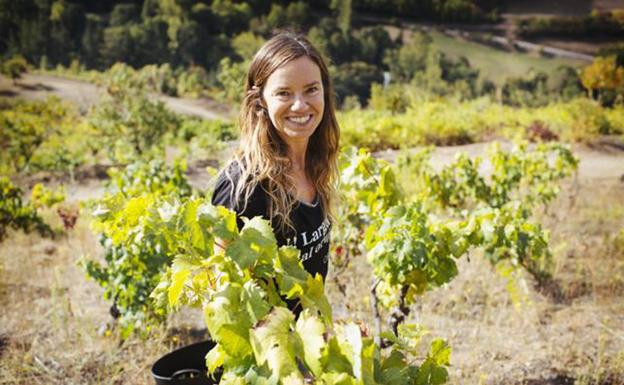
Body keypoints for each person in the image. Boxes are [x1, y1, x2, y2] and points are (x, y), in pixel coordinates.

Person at [211, 31, 340, 285]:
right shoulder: (242, 188)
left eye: (311, 89)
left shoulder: (316, 164)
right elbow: (221, 296)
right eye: (284, 93)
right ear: (260, 100)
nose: (300, 105)